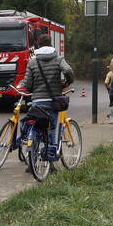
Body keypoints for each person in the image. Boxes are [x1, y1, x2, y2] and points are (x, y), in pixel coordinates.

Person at [22, 33, 74, 166]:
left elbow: (27, 84)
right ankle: (50, 165)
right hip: (52, 102)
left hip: (37, 102)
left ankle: (32, 163)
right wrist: (67, 83)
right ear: (51, 44)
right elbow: (68, 70)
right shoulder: (58, 59)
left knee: (35, 129)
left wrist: (33, 89)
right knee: (52, 130)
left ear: (38, 45)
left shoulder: (33, 61)